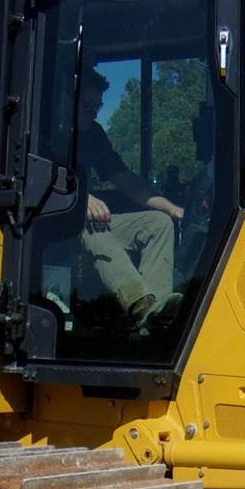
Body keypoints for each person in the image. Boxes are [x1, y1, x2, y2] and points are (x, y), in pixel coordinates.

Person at [76, 70, 185, 325]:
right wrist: (81, 197)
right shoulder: (43, 130)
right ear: (67, 99)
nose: (94, 112)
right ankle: (140, 304)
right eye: (88, 105)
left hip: (85, 217)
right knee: (93, 224)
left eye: (98, 106)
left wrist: (173, 209)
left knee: (158, 224)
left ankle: (156, 317)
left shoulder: (94, 134)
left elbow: (127, 181)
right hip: (57, 222)